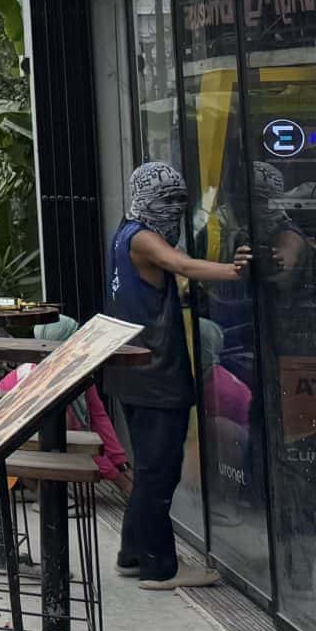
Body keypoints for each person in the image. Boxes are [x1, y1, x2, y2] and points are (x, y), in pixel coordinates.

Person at [105, 161, 248, 591]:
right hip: (153, 372)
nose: (175, 209)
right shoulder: (145, 239)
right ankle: (159, 567)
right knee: (159, 471)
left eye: (180, 200)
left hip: (131, 369)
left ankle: (132, 553)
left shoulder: (124, 232)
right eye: (167, 199)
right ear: (145, 199)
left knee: (150, 467)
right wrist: (232, 272)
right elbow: (180, 264)